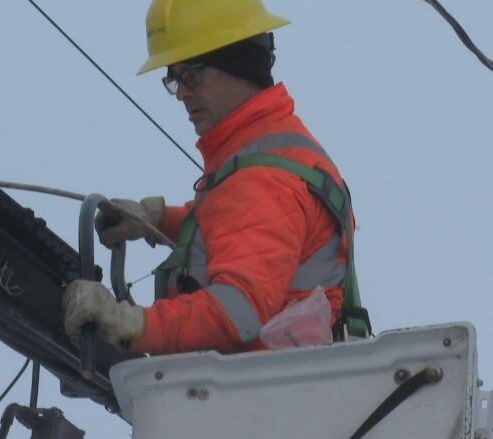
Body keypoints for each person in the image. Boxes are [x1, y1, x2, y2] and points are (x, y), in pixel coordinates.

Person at [63, 0, 369, 355]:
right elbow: (241, 229)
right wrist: (159, 220)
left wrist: (132, 323)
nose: (180, 93)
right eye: (173, 79)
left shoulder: (263, 180)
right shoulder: (275, 145)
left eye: (192, 75)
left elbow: (236, 312)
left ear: (239, 65)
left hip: (256, 397)